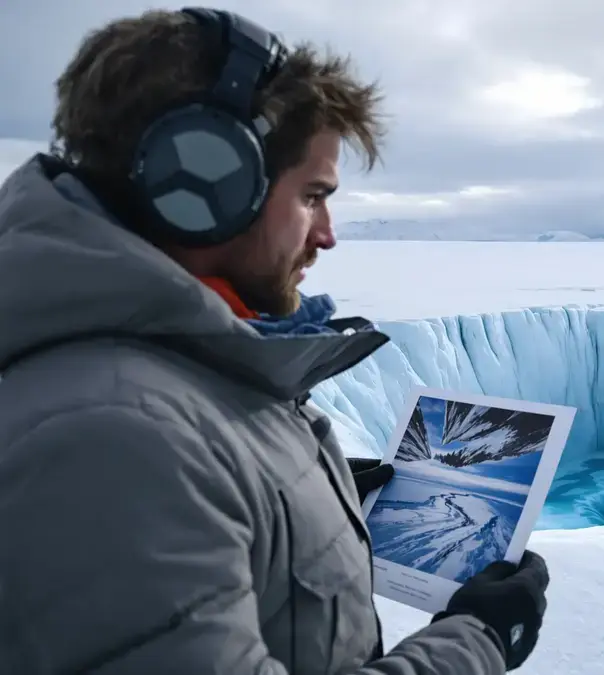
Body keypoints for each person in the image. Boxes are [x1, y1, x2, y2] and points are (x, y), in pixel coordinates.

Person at [0, 7, 549, 674]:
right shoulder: (113, 437)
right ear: (208, 182)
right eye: (313, 195)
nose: (327, 235)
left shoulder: (159, 381)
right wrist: (477, 641)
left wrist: (296, 499)